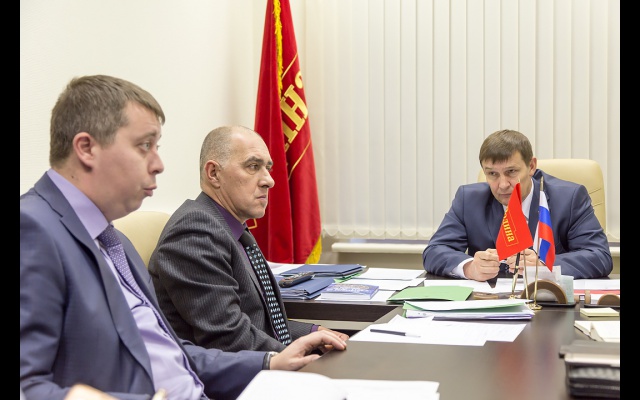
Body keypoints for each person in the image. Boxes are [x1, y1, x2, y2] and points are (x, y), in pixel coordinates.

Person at [20, 75, 347, 400]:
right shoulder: (32, 229)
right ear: (86, 148)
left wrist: (270, 362)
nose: (159, 164)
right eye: (144, 145)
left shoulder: (114, 241)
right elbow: (28, 386)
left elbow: (171, 353)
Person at [148, 125, 350, 352]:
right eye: (253, 166)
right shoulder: (196, 232)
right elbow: (228, 339)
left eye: (268, 168)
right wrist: (298, 355)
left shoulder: (230, 227)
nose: (269, 181)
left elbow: (260, 324)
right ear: (213, 173)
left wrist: (313, 333)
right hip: (231, 371)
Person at [422, 129, 612, 282]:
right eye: (492, 174)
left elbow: (599, 256)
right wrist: (469, 267)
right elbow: (434, 251)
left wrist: (545, 265)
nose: (503, 184)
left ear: (531, 166)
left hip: (549, 304)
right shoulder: (469, 199)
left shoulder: (569, 198)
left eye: (511, 172)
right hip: (490, 305)